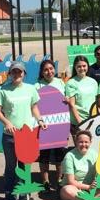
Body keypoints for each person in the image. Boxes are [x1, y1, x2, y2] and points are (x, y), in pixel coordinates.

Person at [0, 60, 45, 200]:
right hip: (9, 136)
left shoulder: (30, 89)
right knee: (11, 167)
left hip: (27, 135)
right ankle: (10, 198)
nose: (16, 74)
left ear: (24, 74)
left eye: (19, 71)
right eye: (14, 71)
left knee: (25, 166)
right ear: (9, 74)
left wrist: (40, 120)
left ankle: (23, 195)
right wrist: (7, 123)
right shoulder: (3, 90)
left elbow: (34, 107)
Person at [34, 59, 66, 191]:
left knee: (60, 156)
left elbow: (66, 101)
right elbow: (33, 106)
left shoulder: (61, 83)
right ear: (42, 72)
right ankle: (45, 181)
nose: (49, 72)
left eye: (51, 68)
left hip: (60, 125)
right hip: (44, 126)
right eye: (46, 70)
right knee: (44, 155)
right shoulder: (36, 86)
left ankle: (59, 180)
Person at [59, 129, 100, 200]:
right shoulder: (69, 156)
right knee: (67, 190)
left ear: (90, 142)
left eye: (86, 142)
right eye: (81, 142)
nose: (83, 144)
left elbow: (99, 172)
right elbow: (71, 181)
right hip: (75, 188)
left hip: (91, 188)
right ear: (76, 142)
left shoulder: (94, 153)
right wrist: (88, 187)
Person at [66, 55, 99, 127]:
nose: (82, 68)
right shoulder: (71, 83)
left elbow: (96, 101)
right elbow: (71, 105)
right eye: (79, 66)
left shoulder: (93, 82)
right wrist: (80, 123)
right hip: (78, 122)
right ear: (75, 67)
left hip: (93, 119)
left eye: (84, 66)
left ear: (88, 66)